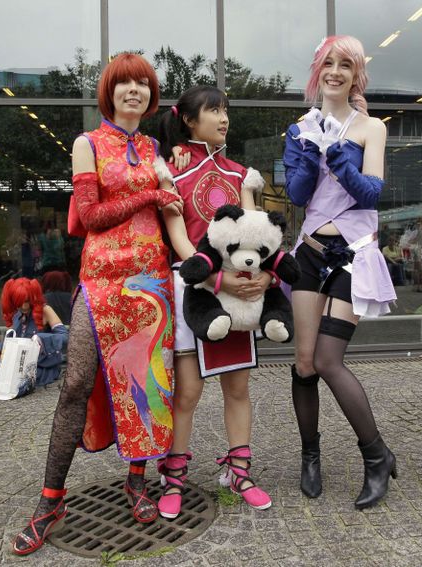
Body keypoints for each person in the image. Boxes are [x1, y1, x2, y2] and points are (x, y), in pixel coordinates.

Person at [12, 53, 182, 555]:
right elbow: (90, 215)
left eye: (144, 84)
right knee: (75, 384)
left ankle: (137, 481)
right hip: (102, 280)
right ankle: (50, 499)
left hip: (152, 282)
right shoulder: (86, 144)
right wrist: (149, 196)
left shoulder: (155, 147)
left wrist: (168, 190)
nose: (135, 90)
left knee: (148, 383)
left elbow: (174, 199)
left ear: (151, 95)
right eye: (124, 83)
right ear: (109, 91)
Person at [283, 35, 397, 510]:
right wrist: (310, 157)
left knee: (330, 360)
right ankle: (311, 456)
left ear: (355, 75)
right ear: (317, 71)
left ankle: (377, 456)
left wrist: (336, 157)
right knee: (305, 362)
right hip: (309, 251)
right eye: (328, 63)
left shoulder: (371, 128)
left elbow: (371, 194)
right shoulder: (299, 128)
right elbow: (295, 194)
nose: (335, 71)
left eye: (345, 65)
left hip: (353, 253)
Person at [155, 85, 272, 519]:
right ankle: (174, 476)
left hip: (236, 290)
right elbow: (179, 238)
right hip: (194, 288)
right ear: (188, 119)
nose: (224, 118)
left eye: (226, 109)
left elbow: (252, 236)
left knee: (238, 388)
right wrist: (215, 277)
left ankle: (238, 471)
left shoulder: (242, 175)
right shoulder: (170, 172)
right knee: (187, 391)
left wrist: (255, 274)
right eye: (214, 110)